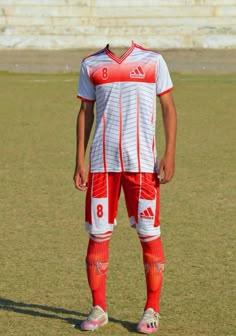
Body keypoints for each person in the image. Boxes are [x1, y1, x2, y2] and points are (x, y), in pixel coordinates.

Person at [74, 41, 177, 334]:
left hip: (144, 165)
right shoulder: (90, 63)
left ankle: (152, 309)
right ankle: (98, 308)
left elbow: (168, 107)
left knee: (149, 234)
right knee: (98, 234)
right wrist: (80, 160)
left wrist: (169, 153)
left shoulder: (153, 60)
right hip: (101, 165)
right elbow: (85, 112)